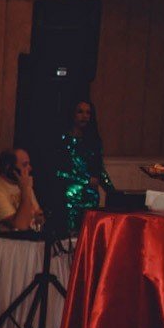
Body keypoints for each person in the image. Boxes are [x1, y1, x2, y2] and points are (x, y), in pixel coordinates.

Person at [56, 99, 114, 234]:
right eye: (80, 112)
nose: (84, 116)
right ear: (72, 114)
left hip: (91, 197)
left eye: (88, 113)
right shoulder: (63, 140)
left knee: (88, 235)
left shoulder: (94, 141)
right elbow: (58, 171)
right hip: (70, 196)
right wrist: (86, 180)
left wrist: (112, 192)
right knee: (71, 236)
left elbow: (99, 169)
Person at [0, 147, 44, 232]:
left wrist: (38, 218)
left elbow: (38, 215)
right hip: (5, 239)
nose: (30, 168)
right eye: (25, 165)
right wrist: (25, 191)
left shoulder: (23, 184)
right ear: (9, 168)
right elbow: (20, 227)